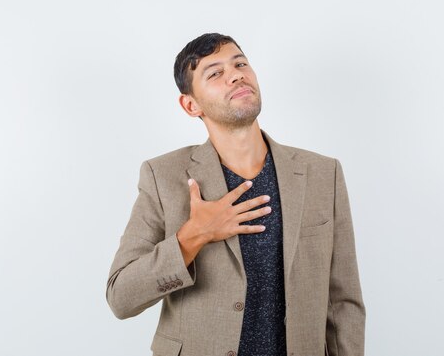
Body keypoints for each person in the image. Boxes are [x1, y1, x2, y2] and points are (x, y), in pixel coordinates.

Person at [106, 33, 365, 356]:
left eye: (240, 63)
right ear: (191, 105)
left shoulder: (323, 173)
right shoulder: (163, 176)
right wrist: (191, 238)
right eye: (215, 73)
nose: (236, 74)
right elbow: (120, 298)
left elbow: (343, 300)